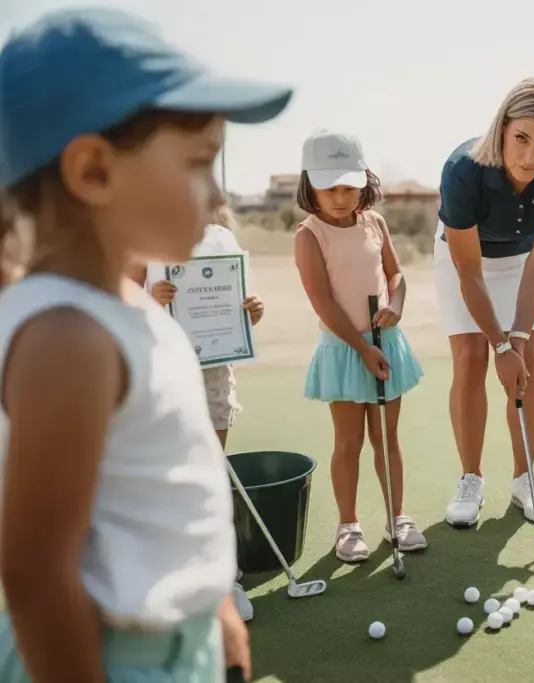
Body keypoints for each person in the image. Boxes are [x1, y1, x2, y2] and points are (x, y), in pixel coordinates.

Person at [0, 7, 292, 683]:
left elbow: (169, 498)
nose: (218, 196)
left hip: (175, 644)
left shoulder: (129, 312)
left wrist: (216, 612)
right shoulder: (67, 338)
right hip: (111, 658)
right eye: (197, 165)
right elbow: (38, 576)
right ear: (94, 172)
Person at [435, 78, 534, 528]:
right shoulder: (462, 169)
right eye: (521, 138)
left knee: (532, 359)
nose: (530, 157)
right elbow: (468, 271)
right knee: (470, 358)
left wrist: (517, 339)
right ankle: (471, 478)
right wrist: (499, 345)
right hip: (465, 260)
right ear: (502, 127)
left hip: (524, 260)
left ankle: (525, 478)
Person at [293, 128, 425, 563]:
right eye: (329, 187)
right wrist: (362, 347)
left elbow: (396, 275)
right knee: (348, 442)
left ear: (365, 180)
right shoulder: (309, 235)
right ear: (309, 183)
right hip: (345, 348)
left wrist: (398, 304)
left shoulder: (375, 223)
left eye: (349, 185)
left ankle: (397, 518)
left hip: (385, 342)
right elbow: (322, 302)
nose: (340, 196)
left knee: (388, 439)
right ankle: (348, 525)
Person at [146, 187, 266, 449]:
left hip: (216, 370)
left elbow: (240, 309)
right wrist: (153, 300)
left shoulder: (222, 242)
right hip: (170, 368)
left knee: (214, 454)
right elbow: (135, 313)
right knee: (174, 450)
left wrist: (253, 312)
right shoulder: (152, 246)